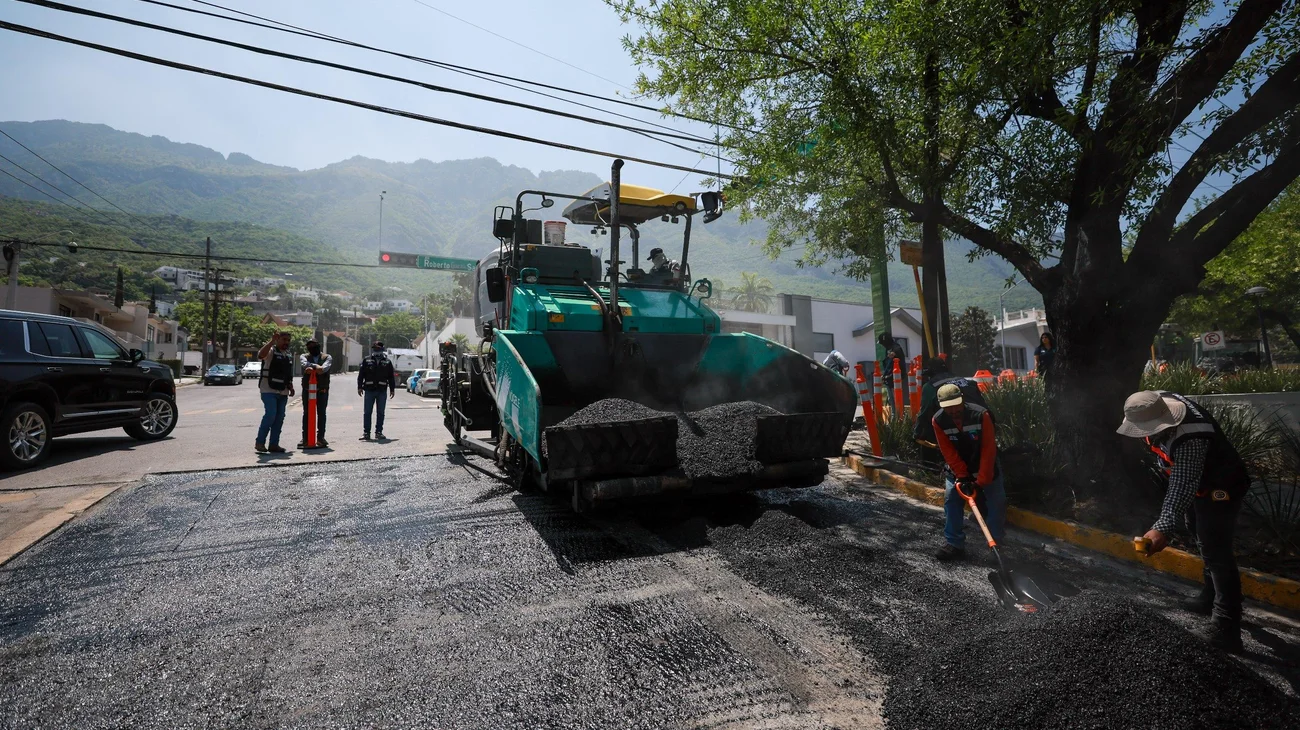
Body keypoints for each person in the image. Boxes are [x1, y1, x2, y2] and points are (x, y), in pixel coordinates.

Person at [1117, 390, 1250, 651]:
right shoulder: (1153, 401)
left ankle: (1227, 628)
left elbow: (1182, 485)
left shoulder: (1191, 438)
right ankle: (1210, 596)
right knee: (1198, 532)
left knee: (1215, 549)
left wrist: (1162, 528)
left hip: (1221, 487)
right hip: (1199, 485)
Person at [931, 383, 1005, 562]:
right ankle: (954, 543)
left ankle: (996, 544)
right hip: (958, 468)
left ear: (962, 400)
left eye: (956, 405)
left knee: (997, 501)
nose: (954, 410)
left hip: (983, 466)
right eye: (949, 407)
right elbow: (948, 451)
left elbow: (988, 449)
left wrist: (981, 481)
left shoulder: (981, 415)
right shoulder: (938, 420)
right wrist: (962, 475)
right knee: (951, 500)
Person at [255, 331, 295, 453]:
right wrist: (271, 341)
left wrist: (290, 386)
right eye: (283, 339)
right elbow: (260, 355)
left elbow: (288, 373)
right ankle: (260, 442)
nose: (286, 342)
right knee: (270, 415)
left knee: (279, 418)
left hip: (283, 391)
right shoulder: (271, 351)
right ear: (277, 340)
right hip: (268, 389)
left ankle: (274, 444)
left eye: (288, 340)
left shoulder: (288, 355)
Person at [358, 341, 396, 441]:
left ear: (382, 349)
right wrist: (359, 387)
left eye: (378, 349)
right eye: (375, 349)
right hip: (369, 390)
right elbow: (361, 375)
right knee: (367, 412)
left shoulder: (387, 362)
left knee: (380, 413)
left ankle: (378, 432)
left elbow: (391, 377)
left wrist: (392, 389)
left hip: (382, 391)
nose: (376, 350)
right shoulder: (366, 360)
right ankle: (366, 433)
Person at [299, 338, 333, 449]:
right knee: (307, 414)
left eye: (314, 345)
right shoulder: (304, 356)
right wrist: (315, 366)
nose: (312, 347)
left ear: (319, 345)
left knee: (322, 414)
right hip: (307, 390)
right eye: (309, 346)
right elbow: (304, 364)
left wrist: (313, 367)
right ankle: (305, 438)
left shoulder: (327, 357)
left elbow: (323, 369)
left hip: (322, 390)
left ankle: (320, 438)